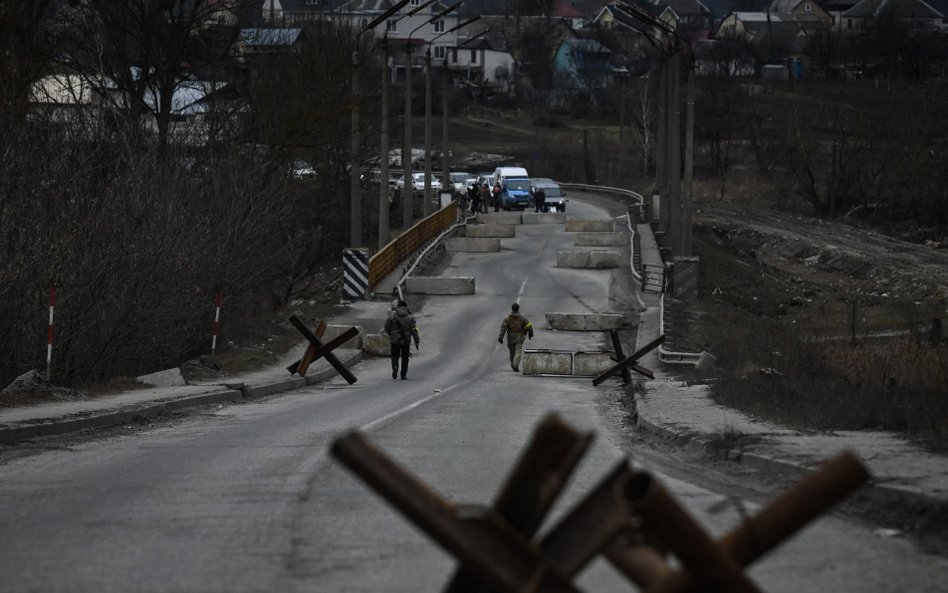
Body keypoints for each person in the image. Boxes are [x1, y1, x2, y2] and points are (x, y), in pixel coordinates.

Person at [385, 300, 420, 380]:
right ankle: (403, 374)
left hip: (395, 340)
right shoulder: (410, 317)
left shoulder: (392, 316)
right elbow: (414, 330)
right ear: (406, 307)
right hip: (406, 341)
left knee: (394, 356)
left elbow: (386, 326)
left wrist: (391, 334)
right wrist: (417, 341)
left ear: (398, 307)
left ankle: (395, 366)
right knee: (405, 358)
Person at [498, 302, 533, 372]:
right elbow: (529, 325)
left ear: (512, 309)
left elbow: (503, 328)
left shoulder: (507, 318)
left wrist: (500, 337)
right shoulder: (522, 318)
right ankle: (515, 365)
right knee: (518, 351)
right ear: (518, 309)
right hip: (519, 337)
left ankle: (513, 365)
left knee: (512, 352)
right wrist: (530, 333)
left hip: (510, 337)